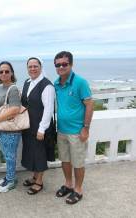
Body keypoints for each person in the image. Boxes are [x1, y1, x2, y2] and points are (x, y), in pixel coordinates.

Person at [54, 51, 93, 204]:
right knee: (65, 160)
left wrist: (86, 128)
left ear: (71, 64)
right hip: (61, 130)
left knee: (78, 162)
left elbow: (89, 105)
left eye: (64, 64)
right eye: (58, 64)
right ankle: (68, 184)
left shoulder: (80, 82)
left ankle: (78, 189)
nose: (61, 67)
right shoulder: (56, 83)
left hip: (77, 132)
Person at [21, 57, 55, 195]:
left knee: (39, 153)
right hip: (28, 125)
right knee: (32, 152)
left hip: (41, 126)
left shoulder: (47, 85)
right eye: (30, 66)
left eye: (35, 66)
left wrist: (42, 129)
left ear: (40, 67)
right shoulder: (27, 82)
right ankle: (35, 176)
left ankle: (39, 182)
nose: (33, 69)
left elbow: (48, 109)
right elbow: (25, 102)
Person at [0, 61, 21, 193]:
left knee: (10, 155)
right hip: (2, 127)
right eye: (1, 72)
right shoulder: (1, 87)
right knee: (7, 154)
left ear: (11, 73)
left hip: (10, 129)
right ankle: (9, 177)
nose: (4, 74)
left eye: (7, 71)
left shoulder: (12, 89)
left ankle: (11, 181)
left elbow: (15, 109)